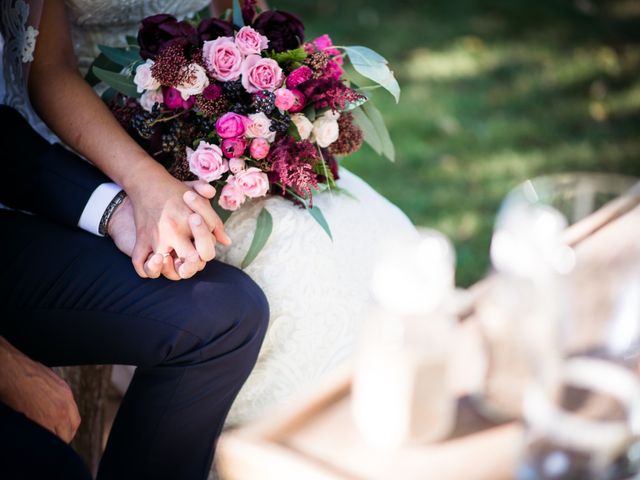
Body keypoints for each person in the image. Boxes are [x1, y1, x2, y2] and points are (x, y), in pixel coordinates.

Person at [1, 0, 417, 477]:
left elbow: (248, 18)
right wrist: (143, 179)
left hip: (206, 112)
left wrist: (271, 103)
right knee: (295, 276)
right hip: (101, 131)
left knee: (380, 238)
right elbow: (48, 71)